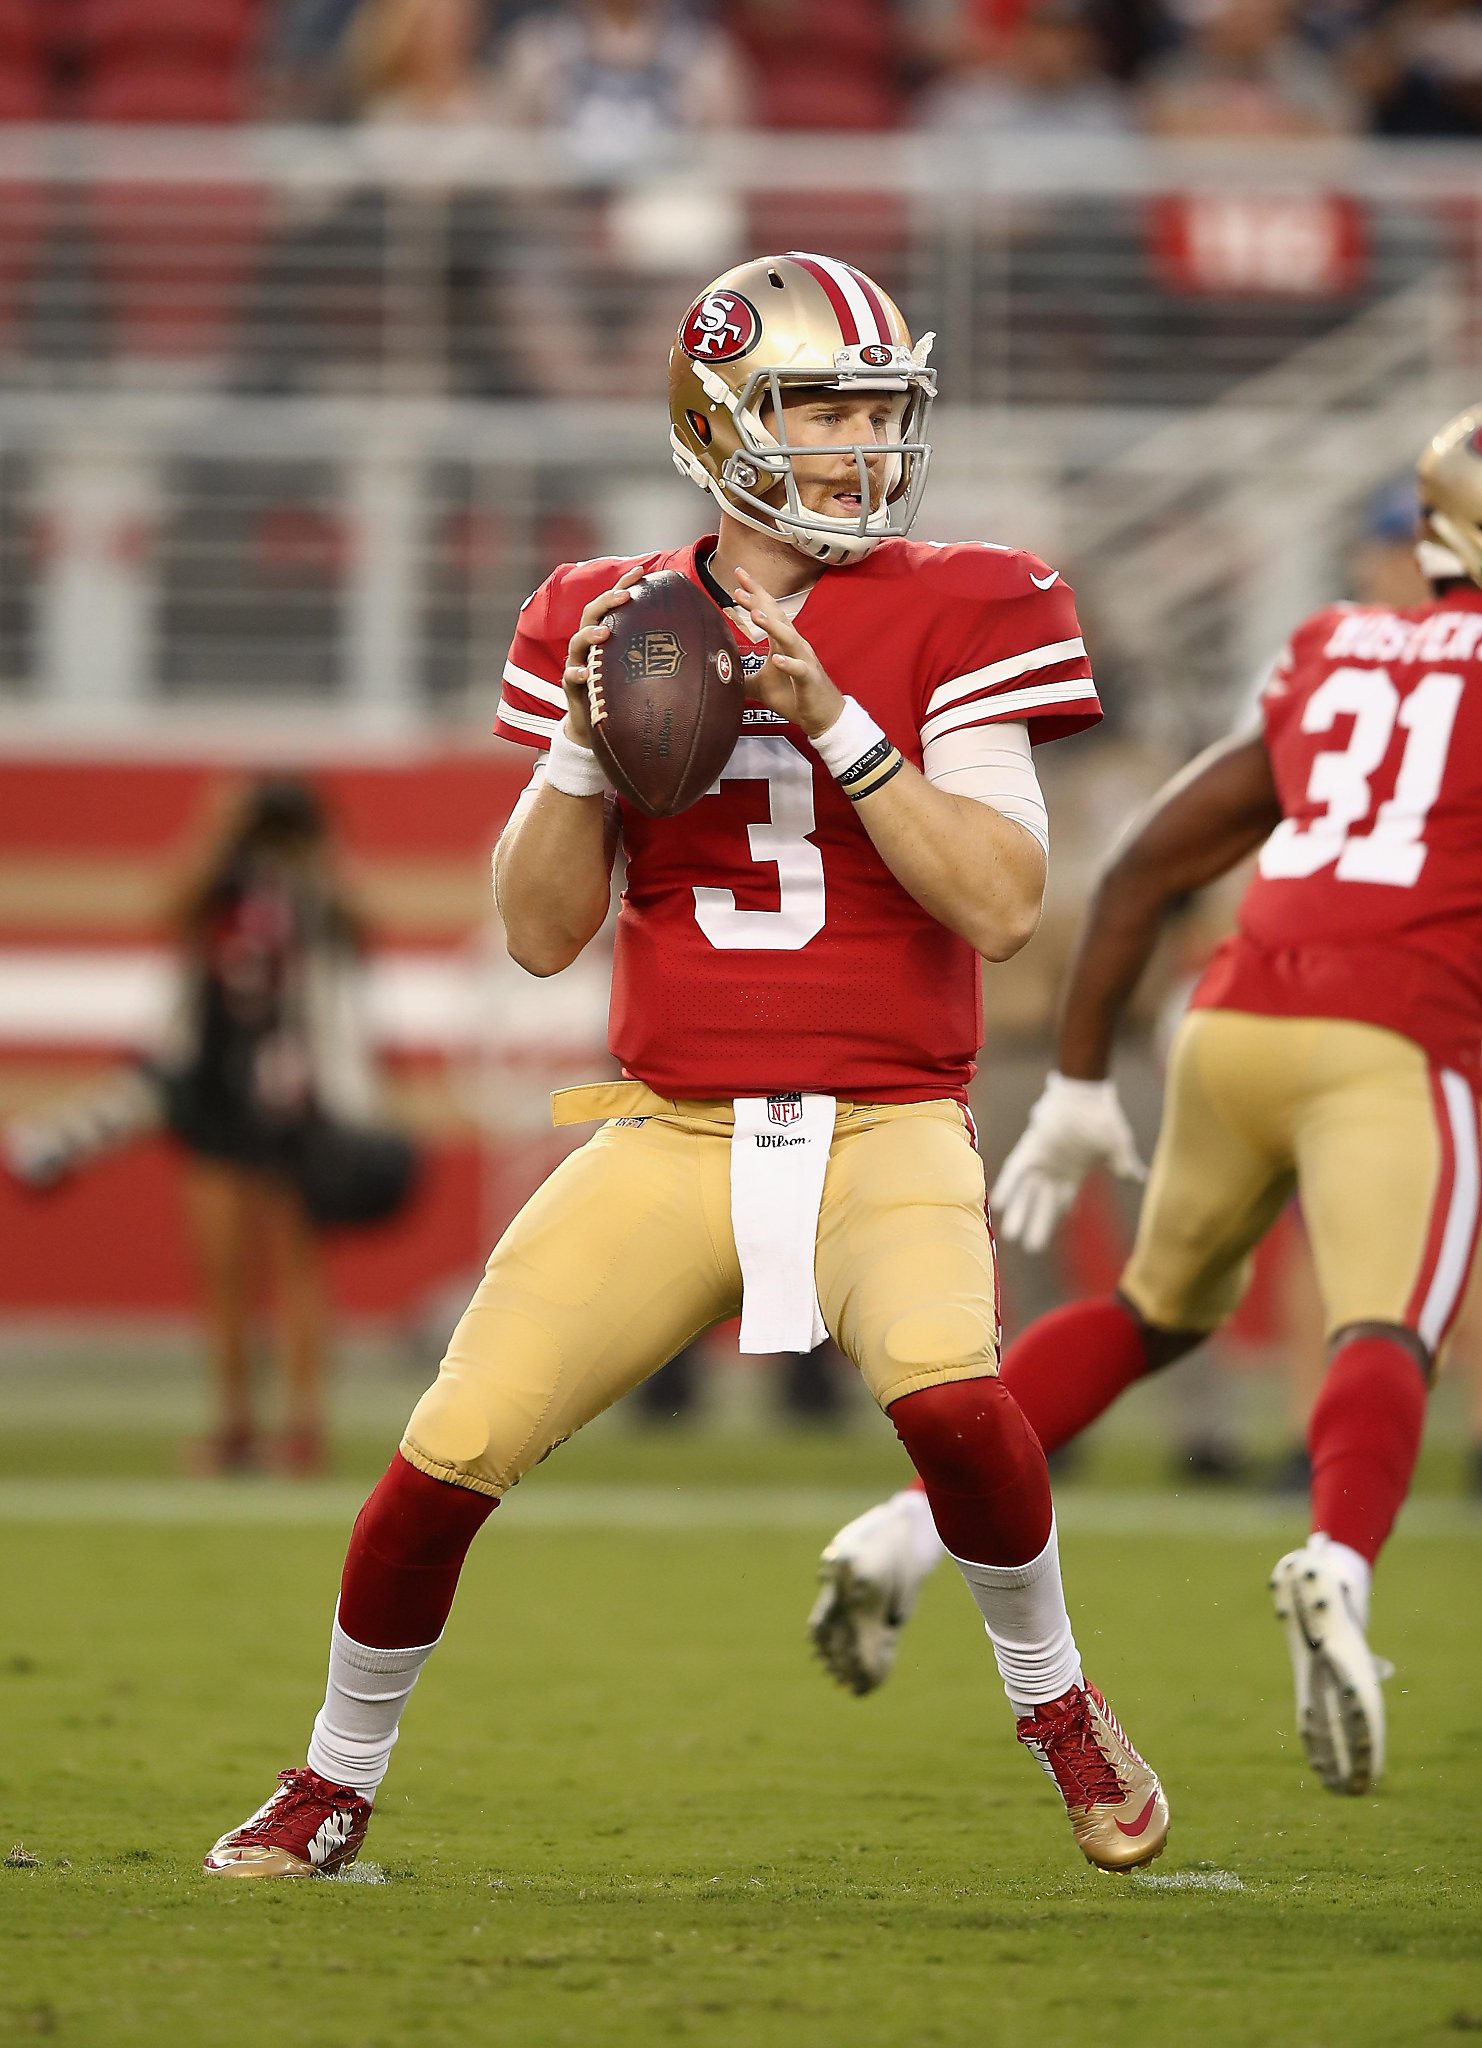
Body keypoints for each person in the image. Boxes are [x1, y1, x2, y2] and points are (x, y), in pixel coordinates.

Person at [202, 249, 1168, 1880]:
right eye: (822, 406)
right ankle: (332, 1774)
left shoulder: (968, 601)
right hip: (666, 1126)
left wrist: (844, 724)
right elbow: (532, 930)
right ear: (718, 418)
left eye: (880, 407)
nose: (864, 443)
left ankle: (1057, 1700)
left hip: (885, 1121)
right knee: (443, 1460)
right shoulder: (603, 614)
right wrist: (583, 747)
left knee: (953, 1400)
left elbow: (1002, 903)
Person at [809, 405, 1482, 1802]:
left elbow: (1142, 869)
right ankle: (1338, 1569)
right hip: (1395, 1031)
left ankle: (900, 1530)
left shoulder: (1326, 647)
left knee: (1149, 1313)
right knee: (1388, 1327)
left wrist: (1071, 1080)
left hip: (1230, 1018)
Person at [5, 777, 383, 1474]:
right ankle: (236, 1425)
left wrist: (319, 845)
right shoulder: (222, 881)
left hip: (295, 1095)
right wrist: (219, 827)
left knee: (297, 1267)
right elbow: (168, 909)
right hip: (215, 1087)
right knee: (226, 1268)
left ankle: (301, 1430)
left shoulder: (314, 889)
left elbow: (359, 934)